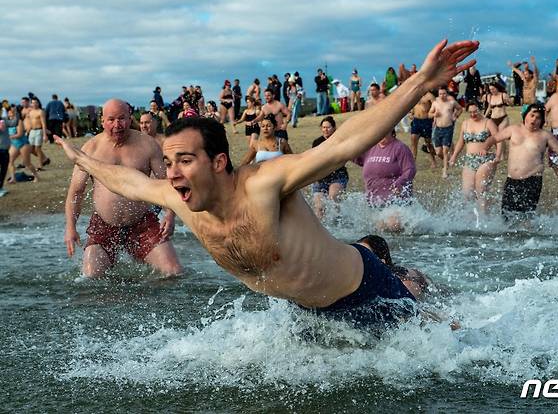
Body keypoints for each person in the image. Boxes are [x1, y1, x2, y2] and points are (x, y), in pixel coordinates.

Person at [55, 39, 479, 326]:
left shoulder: (263, 184)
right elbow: (128, 182)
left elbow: (345, 142)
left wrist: (419, 82)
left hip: (365, 290)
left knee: (454, 346)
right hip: (309, 313)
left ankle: (420, 288)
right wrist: (82, 159)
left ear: (219, 162)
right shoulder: (179, 197)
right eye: (168, 162)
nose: (172, 173)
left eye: (185, 160)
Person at [63, 99, 182, 278]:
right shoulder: (91, 148)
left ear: (130, 118)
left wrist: (170, 215)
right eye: (111, 120)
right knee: (90, 277)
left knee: (173, 272)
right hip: (104, 225)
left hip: (142, 223)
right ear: (102, 121)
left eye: (122, 118)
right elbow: (76, 192)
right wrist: (70, 227)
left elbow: (167, 183)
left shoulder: (147, 144)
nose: (117, 125)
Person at [481, 103, 558, 220]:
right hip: (512, 181)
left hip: (532, 181)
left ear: (542, 120)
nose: (534, 119)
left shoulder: (545, 136)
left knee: (526, 218)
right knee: (506, 217)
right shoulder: (513, 129)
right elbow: (494, 138)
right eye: (532, 115)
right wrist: (484, 148)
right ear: (525, 115)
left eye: (538, 117)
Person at [353, 130, 417, 233]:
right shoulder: (371, 148)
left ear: (390, 130)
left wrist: (399, 183)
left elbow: (410, 169)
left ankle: (404, 246)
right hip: (375, 200)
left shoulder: (400, 148)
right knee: (379, 229)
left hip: (396, 199)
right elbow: (356, 158)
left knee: (393, 224)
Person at [449, 102, 502, 212]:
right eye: (470, 112)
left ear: (480, 110)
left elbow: (499, 139)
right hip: (470, 159)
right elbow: (460, 141)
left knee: (481, 189)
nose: (473, 114)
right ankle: (471, 218)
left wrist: (498, 155)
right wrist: (454, 156)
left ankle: (484, 218)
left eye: (475, 111)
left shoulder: (488, 123)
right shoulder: (465, 123)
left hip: (486, 159)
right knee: (467, 192)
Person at [311, 116, 348, 219]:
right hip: (320, 177)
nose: (325, 130)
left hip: (337, 175)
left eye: (328, 127)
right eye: (323, 127)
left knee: (333, 197)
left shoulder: (339, 141)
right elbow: (312, 160)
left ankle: (338, 221)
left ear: (334, 128)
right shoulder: (317, 142)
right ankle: (321, 228)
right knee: (319, 207)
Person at [429, 87, 462, 178]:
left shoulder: (451, 103)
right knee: (438, 152)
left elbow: (460, 109)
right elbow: (429, 114)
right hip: (438, 129)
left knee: (445, 151)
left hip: (448, 128)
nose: (442, 96)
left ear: (446, 94)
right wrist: (434, 114)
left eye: (444, 94)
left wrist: (456, 115)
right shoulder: (435, 103)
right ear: (438, 95)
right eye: (440, 94)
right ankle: (447, 162)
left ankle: (445, 171)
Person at [6, 106, 39, 183]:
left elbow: (20, 134)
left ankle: (36, 176)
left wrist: (9, 136)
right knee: (10, 161)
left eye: (12, 112)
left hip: (23, 144)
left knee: (27, 163)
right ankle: (13, 178)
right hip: (14, 144)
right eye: (9, 112)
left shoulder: (19, 121)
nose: (11, 113)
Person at [409, 92, 438, 168]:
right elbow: (412, 105)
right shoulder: (415, 94)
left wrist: (435, 119)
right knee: (413, 142)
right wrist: (411, 113)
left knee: (429, 143)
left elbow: (436, 108)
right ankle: (412, 163)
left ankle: (433, 160)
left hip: (426, 121)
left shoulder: (429, 96)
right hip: (416, 121)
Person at [25, 98, 50, 168]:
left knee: (37, 148)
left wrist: (45, 135)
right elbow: (30, 123)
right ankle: (44, 159)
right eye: (33, 103)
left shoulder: (41, 112)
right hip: (32, 131)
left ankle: (40, 165)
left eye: (36, 103)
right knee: (30, 149)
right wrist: (27, 132)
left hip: (39, 131)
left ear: (38, 103)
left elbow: (44, 124)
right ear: (31, 104)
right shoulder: (30, 112)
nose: (34, 104)